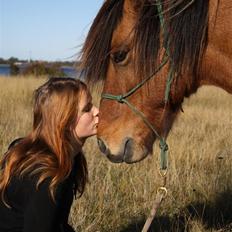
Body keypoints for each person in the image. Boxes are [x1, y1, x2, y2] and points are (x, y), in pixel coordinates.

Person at [0, 77, 99, 232]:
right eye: (87, 109)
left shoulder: (64, 157)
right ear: (64, 121)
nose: (97, 111)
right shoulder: (47, 175)